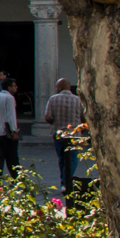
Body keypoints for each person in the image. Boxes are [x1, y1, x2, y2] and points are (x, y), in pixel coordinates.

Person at [44, 78, 87, 206]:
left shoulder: (53, 99)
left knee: (62, 158)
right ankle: (66, 182)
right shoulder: (78, 100)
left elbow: (47, 117)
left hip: (58, 134)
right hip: (74, 134)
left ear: (59, 87)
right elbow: (83, 118)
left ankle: (64, 181)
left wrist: (54, 122)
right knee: (73, 158)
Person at [0, 76, 20, 173]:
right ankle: (16, 179)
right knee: (12, 158)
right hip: (7, 132)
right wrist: (14, 131)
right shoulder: (9, 98)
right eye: (14, 86)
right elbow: (11, 116)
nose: (16, 87)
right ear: (9, 87)